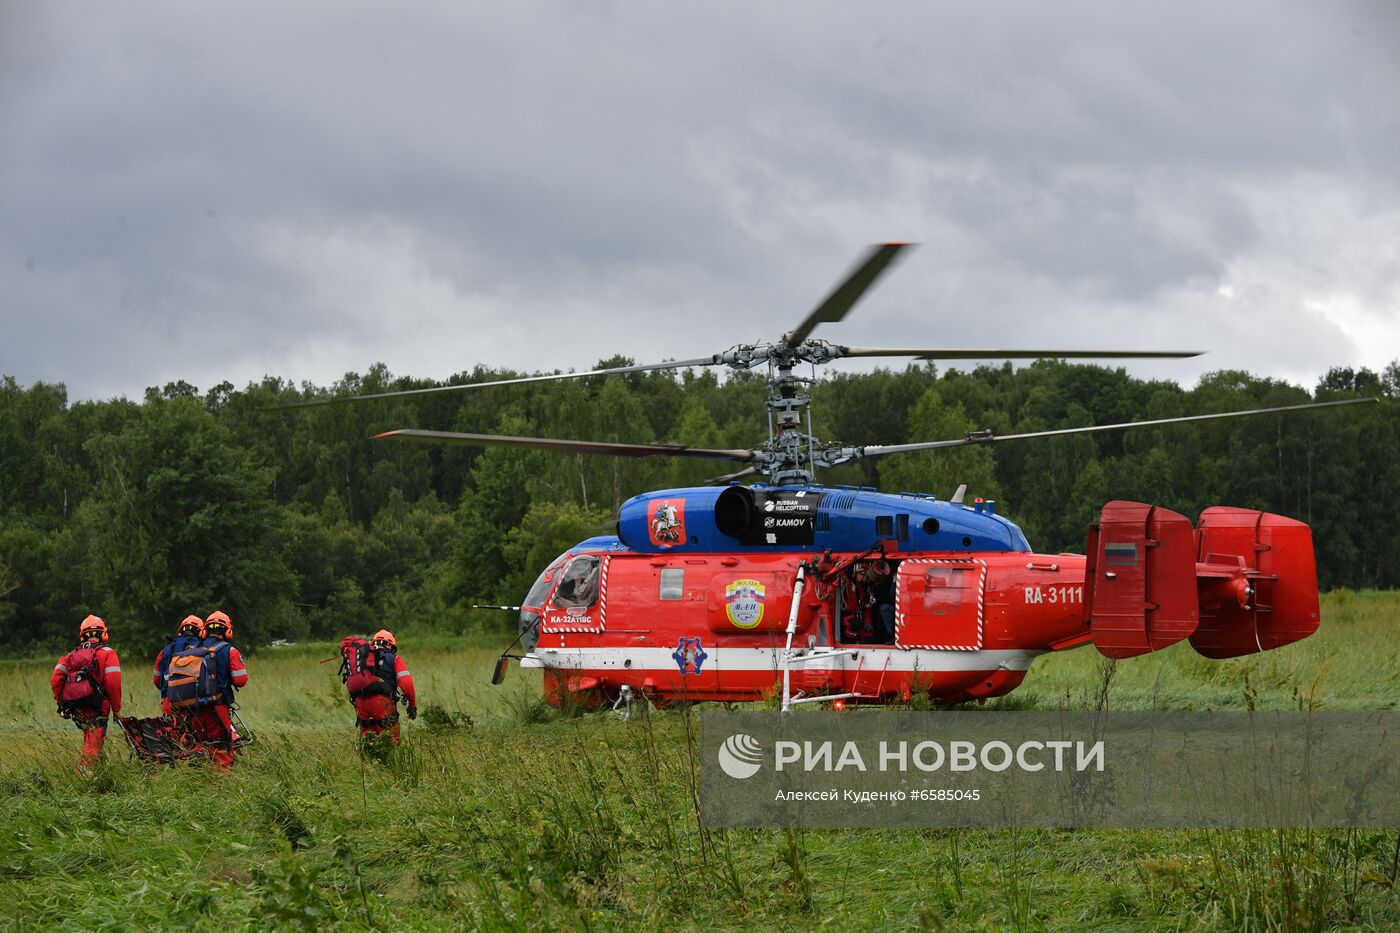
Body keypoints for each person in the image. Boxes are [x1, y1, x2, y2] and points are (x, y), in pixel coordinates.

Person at [170, 610, 248, 769]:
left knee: (200, 743)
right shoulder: (230, 651)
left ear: (206, 629)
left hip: (192, 709)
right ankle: (222, 786)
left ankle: (198, 775)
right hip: (217, 707)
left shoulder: (194, 648)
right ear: (227, 630)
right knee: (221, 747)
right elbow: (241, 680)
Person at [50, 615, 123, 770]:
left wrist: (61, 703)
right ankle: (82, 779)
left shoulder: (69, 656)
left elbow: (56, 680)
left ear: (82, 635)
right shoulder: (108, 653)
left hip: (77, 707)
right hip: (98, 706)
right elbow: (113, 683)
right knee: (92, 746)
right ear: (103, 633)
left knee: (90, 739)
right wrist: (116, 710)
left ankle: (100, 777)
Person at [345, 629, 417, 745]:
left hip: (361, 703)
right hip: (383, 703)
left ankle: (371, 762)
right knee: (390, 741)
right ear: (389, 645)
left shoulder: (362, 657)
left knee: (368, 742)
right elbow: (406, 684)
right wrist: (412, 706)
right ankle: (388, 762)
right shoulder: (394, 659)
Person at [152, 615, 206, 715]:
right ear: (201, 631)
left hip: (170, 701)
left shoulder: (165, 651)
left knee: (170, 729)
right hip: (196, 703)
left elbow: (156, 679)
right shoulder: (204, 648)